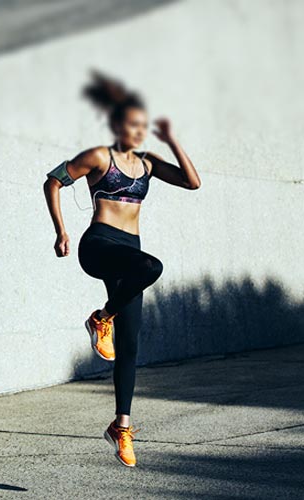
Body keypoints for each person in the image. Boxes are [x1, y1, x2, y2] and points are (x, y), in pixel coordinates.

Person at [42, 70, 201, 467]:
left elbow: (193, 182)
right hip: (98, 244)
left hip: (130, 254)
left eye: (144, 127)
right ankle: (102, 317)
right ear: (117, 126)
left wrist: (173, 140)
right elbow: (53, 182)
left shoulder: (149, 164)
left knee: (129, 345)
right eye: (133, 125)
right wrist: (61, 230)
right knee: (153, 266)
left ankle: (121, 426)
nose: (139, 131)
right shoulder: (99, 157)